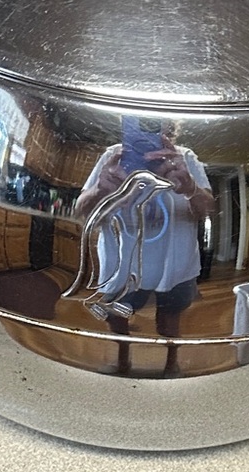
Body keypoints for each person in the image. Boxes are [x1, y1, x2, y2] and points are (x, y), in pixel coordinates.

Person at [74, 122, 214, 376]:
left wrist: (190, 187)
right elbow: (81, 210)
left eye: (158, 125)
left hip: (176, 264)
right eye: (142, 122)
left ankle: (172, 362)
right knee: (116, 316)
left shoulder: (185, 158)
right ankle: (122, 359)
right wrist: (100, 189)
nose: (150, 131)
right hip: (121, 264)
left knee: (170, 319)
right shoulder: (113, 156)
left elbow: (207, 211)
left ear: (171, 129)